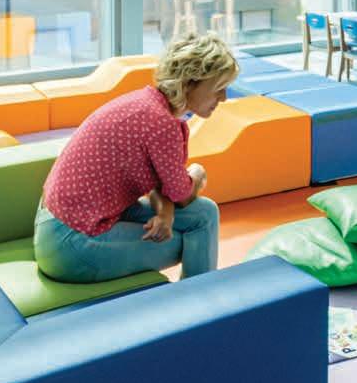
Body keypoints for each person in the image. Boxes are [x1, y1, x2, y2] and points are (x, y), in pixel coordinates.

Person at [34, 33, 238, 283]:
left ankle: (201, 292)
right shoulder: (162, 123)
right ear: (189, 83)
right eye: (218, 88)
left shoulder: (147, 104)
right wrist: (198, 173)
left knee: (205, 213)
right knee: (192, 241)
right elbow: (182, 194)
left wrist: (166, 214)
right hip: (70, 244)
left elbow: (162, 187)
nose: (224, 98)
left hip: (61, 225)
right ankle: (199, 298)